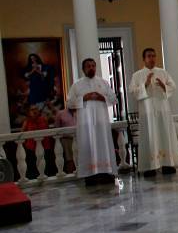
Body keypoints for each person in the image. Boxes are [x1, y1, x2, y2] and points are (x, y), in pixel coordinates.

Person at [129, 48, 178, 177]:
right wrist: (145, 84)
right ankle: (149, 167)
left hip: (162, 110)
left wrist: (164, 86)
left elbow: (173, 86)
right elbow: (132, 91)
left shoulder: (162, 72)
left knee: (165, 135)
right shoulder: (137, 75)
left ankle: (167, 164)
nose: (152, 58)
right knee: (149, 137)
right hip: (147, 112)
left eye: (153, 55)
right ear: (144, 58)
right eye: (149, 56)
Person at [67, 58, 117, 186]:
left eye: (93, 66)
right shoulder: (77, 85)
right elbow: (70, 103)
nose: (91, 68)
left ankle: (106, 172)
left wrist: (102, 97)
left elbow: (113, 99)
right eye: (88, 66)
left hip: (101, 122)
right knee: (88, 147)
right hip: (86, 124)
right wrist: (84, 97)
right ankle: (90, 175)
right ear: (83, 69)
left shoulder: (103, 82)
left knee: (103, 146)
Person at [21, 105, 56, 178]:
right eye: (32, 109)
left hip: (45, 146)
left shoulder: (43, 119)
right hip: (31, 148)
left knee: (46, 165)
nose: (34, 111)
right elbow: (22, 134)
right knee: (33, 166)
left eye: (36, 109)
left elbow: (48, 130)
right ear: (29, 112)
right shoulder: (27, 121)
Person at [54, 107, 77, 174]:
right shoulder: (60, 113)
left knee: (80, 158)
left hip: (79, 138)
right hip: (67, 140)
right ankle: (70, 176)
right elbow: (57, 126)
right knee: (70, 160)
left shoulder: (80, 111)